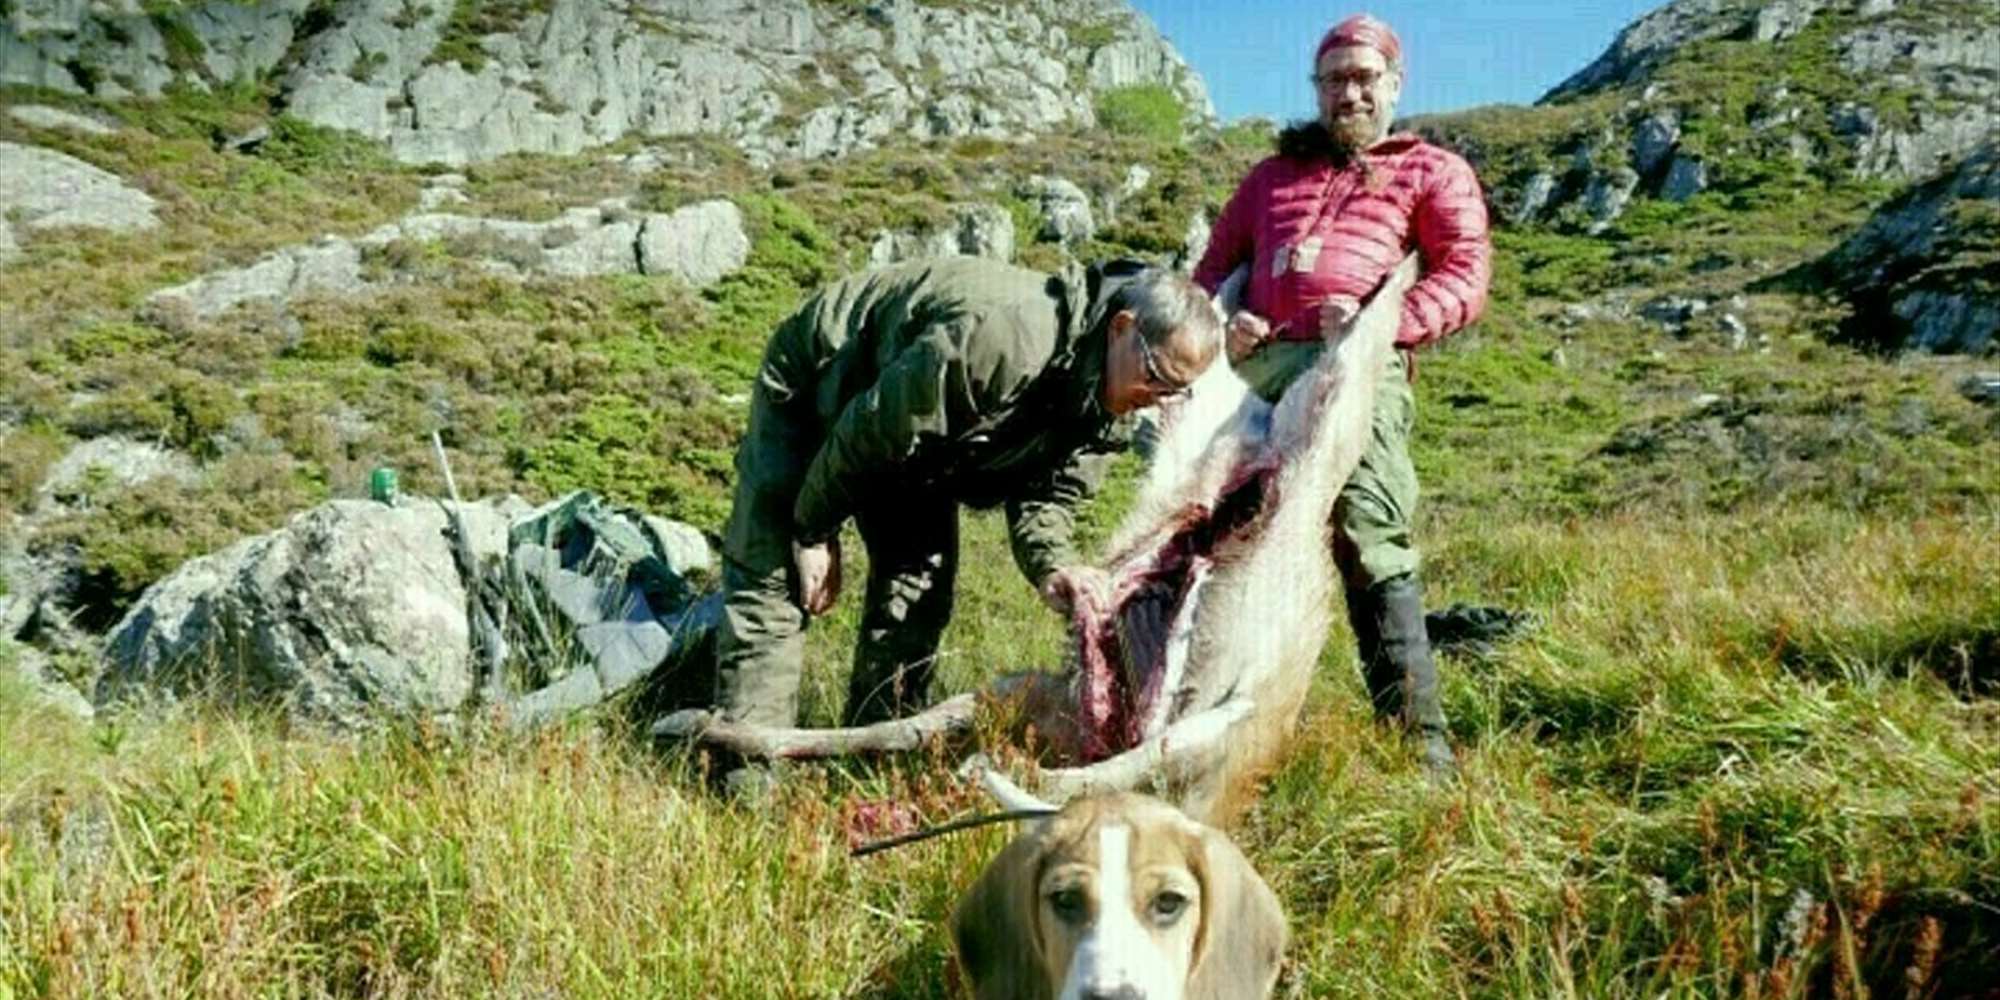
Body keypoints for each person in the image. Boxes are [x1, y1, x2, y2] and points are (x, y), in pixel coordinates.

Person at [712, 256, 1224, 752]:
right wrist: (811, 530)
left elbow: (1049, 496)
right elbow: (871, 432)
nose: (1157, 398)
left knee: (916, 591)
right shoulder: (1003, 339)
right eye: (1156, 375)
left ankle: (869, 760)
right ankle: (744, 780)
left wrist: (1053, 565)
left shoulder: (1112, 406)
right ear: (1122, 327)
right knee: (774, 582)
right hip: (822, 379)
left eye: (1177, 391)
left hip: (924, 438)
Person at [1191, 13, 1492, 781]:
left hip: (1357, 367)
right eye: (1335, 80)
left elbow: (1463, 273)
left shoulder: (1432, 170)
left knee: (1366, 524)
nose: (1349, 93)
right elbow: (1207, 275)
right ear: (1316, 90)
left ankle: (1421, 747)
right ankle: (1197, 728)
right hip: (1256, 377)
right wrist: (1225, 330)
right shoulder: (1268, 179)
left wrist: (1379, 325)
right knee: (1208, 530)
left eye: (1365, 78)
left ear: (1394, 84)